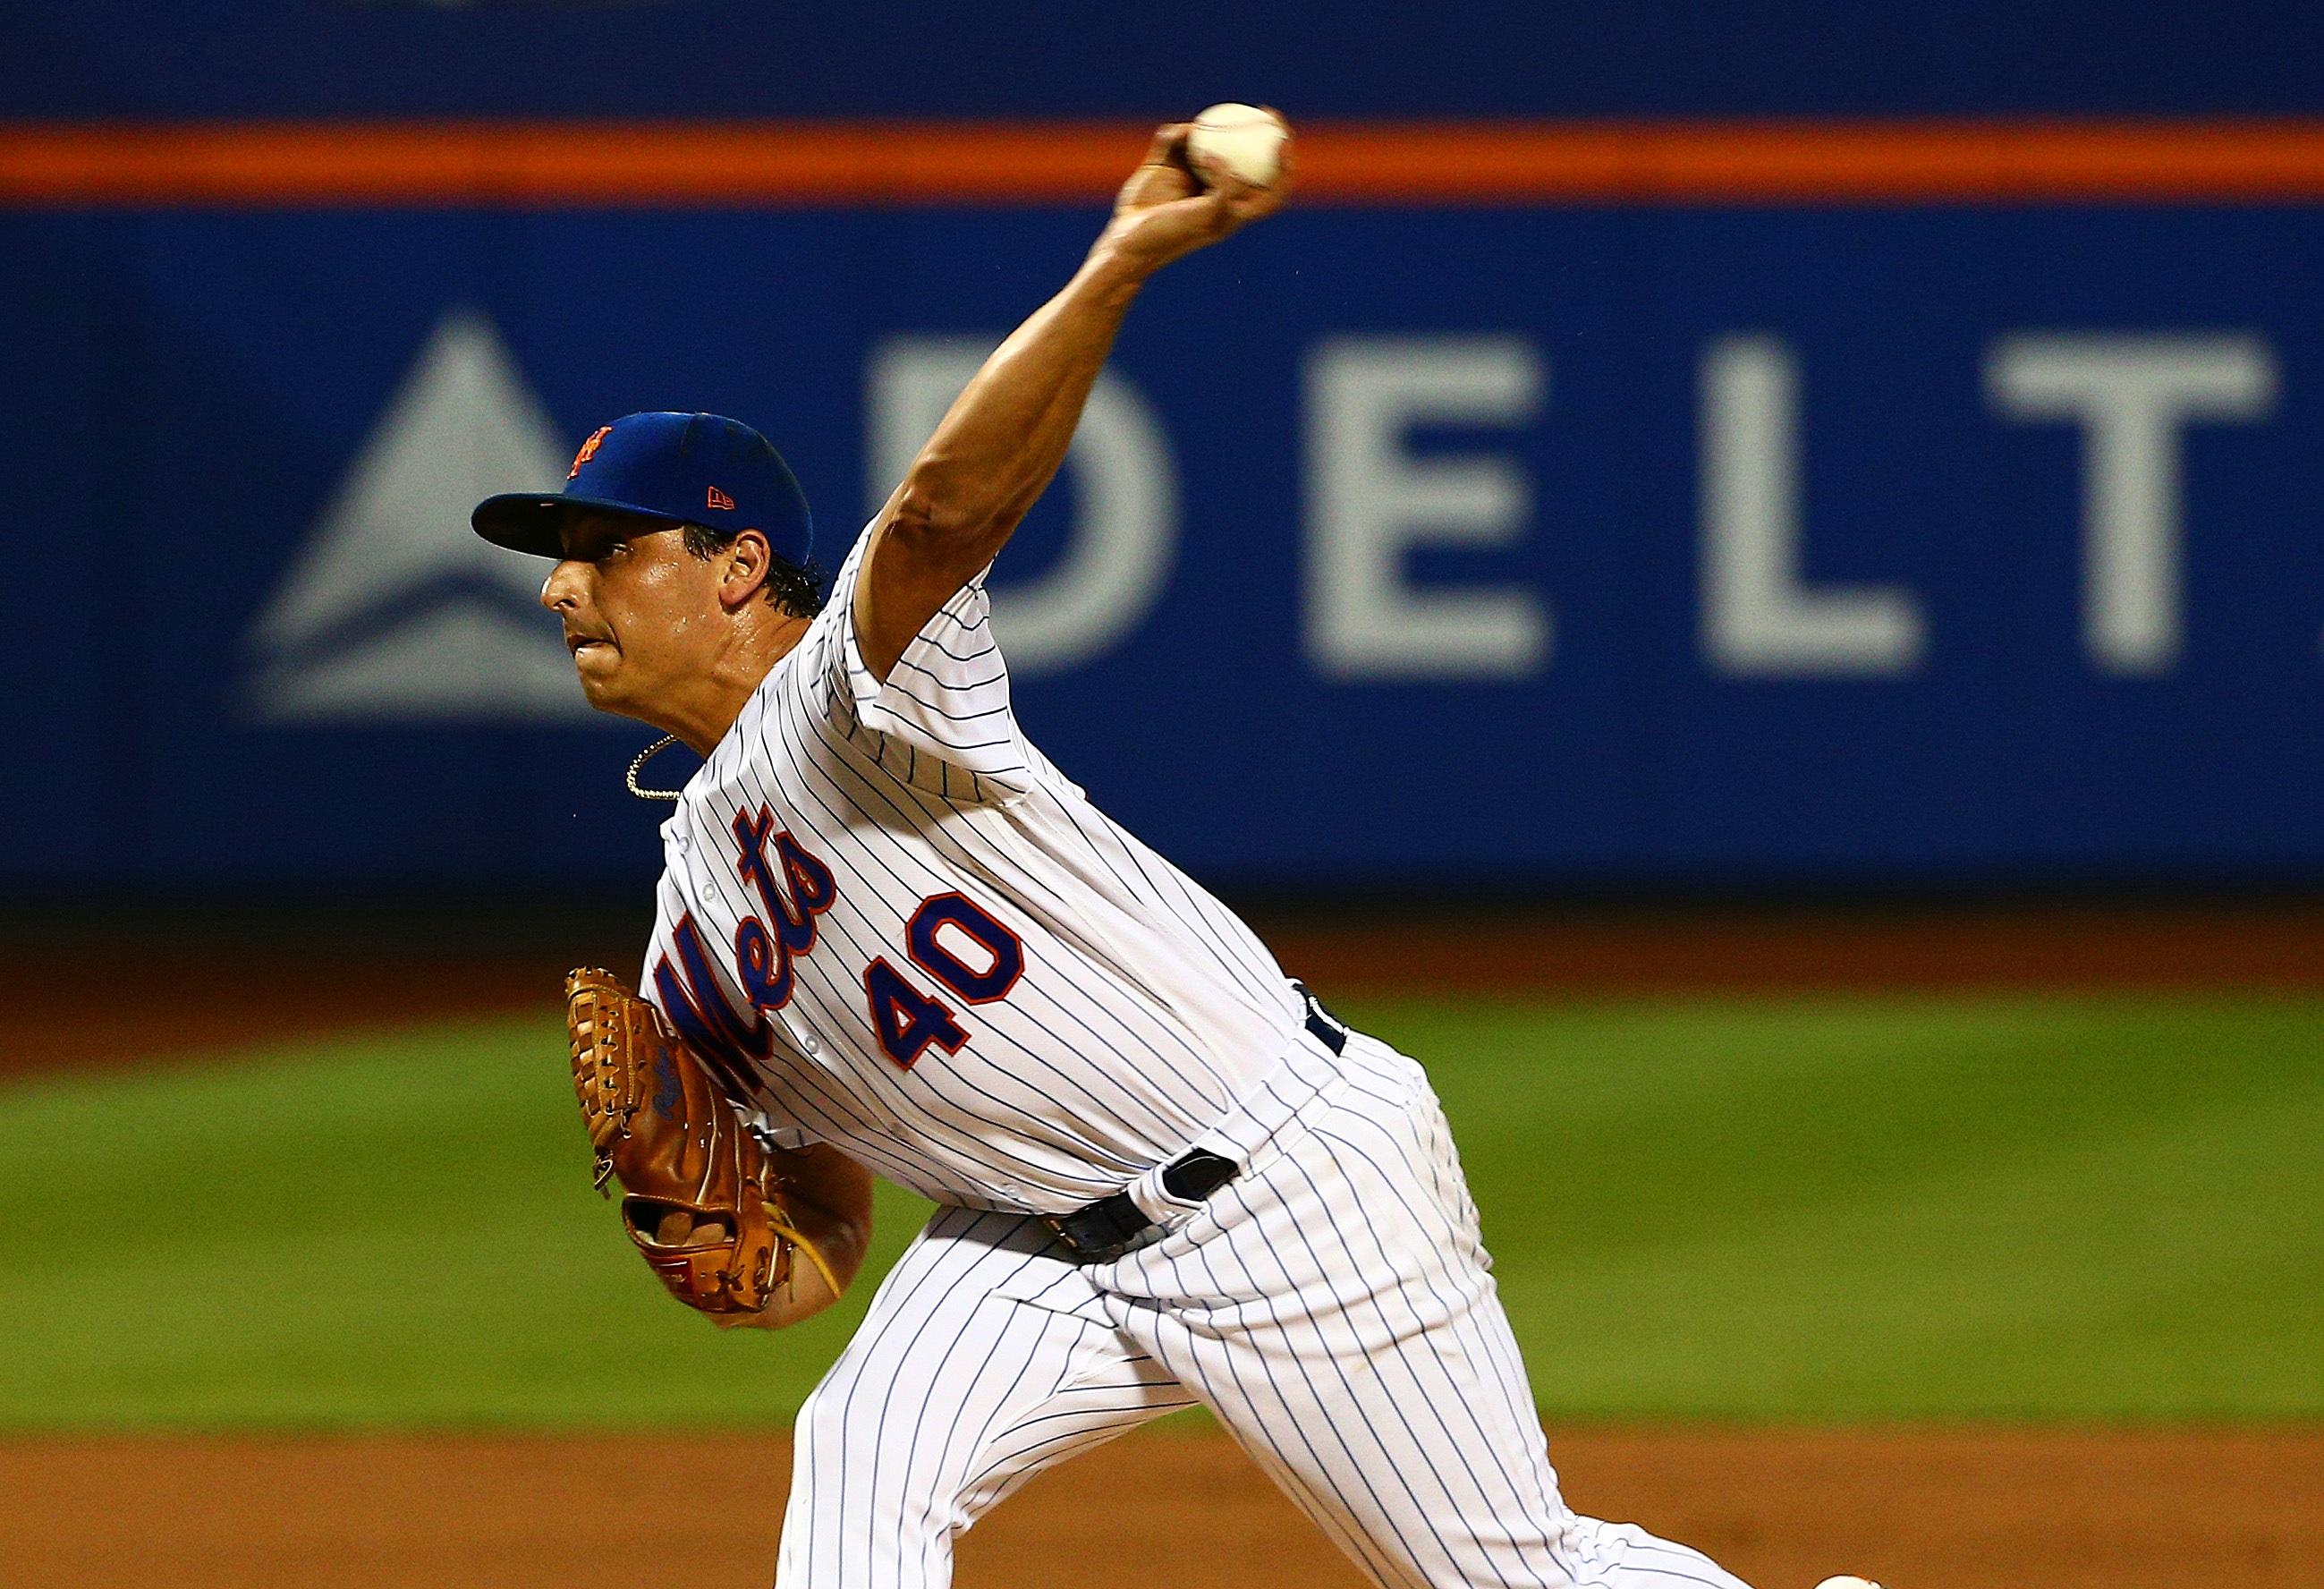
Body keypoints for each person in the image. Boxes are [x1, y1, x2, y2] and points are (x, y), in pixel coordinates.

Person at [473, 120, 1764, 1589]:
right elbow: (818, 1198)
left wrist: (1120, 262)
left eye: (602, 545)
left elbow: (950, 503)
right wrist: (756, 1273)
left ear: (736, 566)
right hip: (1032, 1245)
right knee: (860, 1455)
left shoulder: (857, 696)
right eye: (555, 555)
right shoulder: (690, 917)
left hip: (1287, 1187)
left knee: (1509, 1577)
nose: (561, 587)